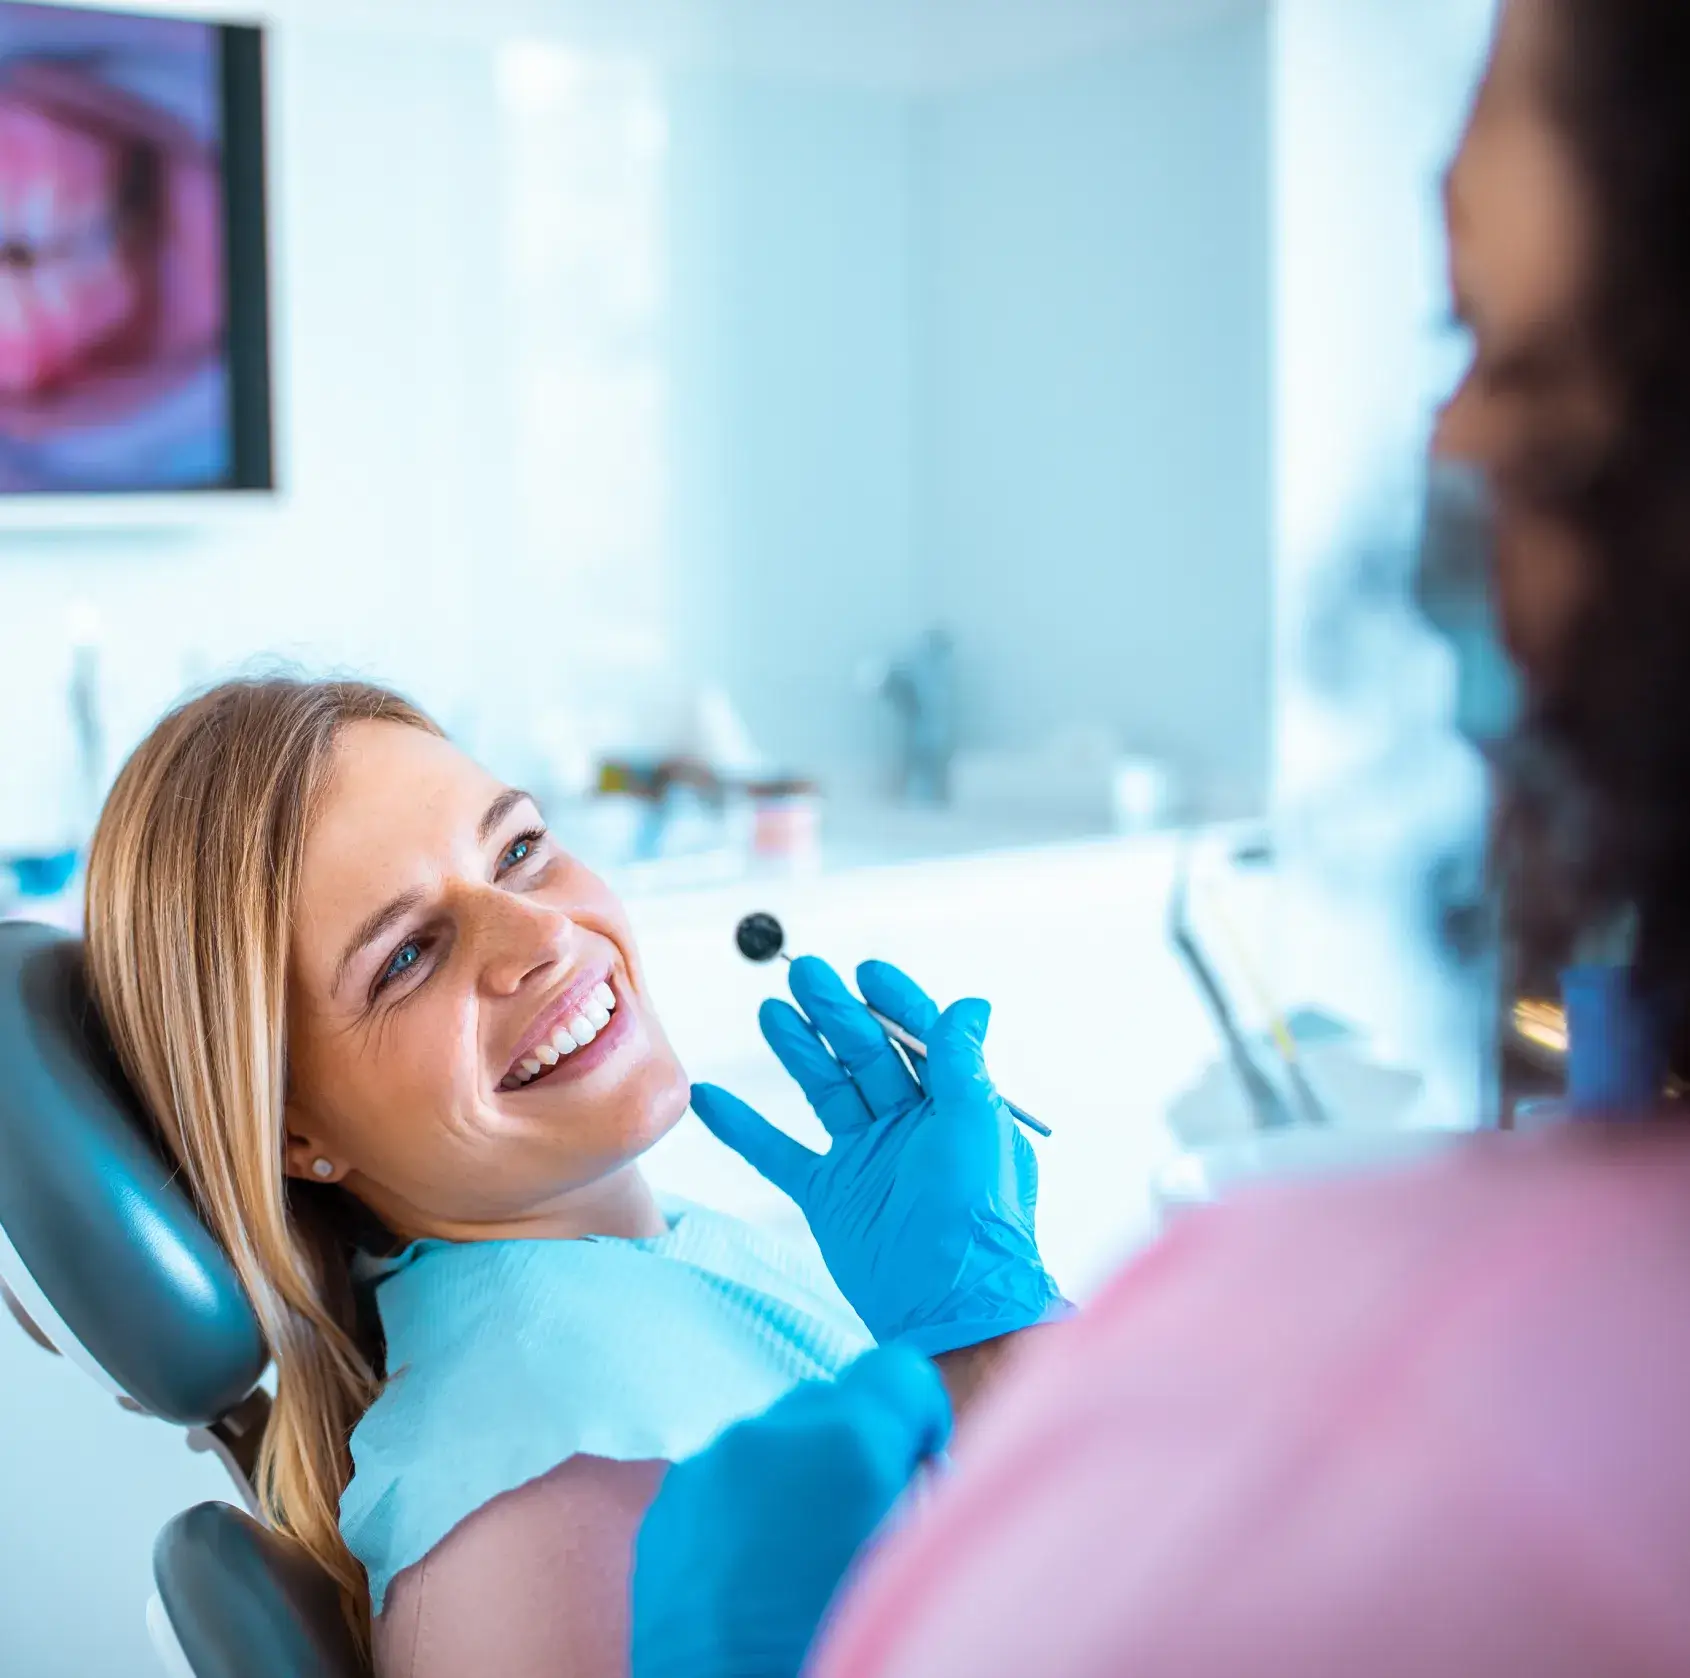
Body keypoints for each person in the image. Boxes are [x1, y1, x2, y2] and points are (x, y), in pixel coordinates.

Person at [630, 1, 1690, 1672]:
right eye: (1451, 343)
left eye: (1516, 352)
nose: (1446, 455)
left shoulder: (1397, 1413)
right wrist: (991, 1333)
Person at [82, 676, 1063, 1677]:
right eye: (408, 955)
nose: (543, 934)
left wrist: (986, 1330)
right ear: (295, 1131)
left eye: (518, 849)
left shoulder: (639, 1262)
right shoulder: (549, 1490)